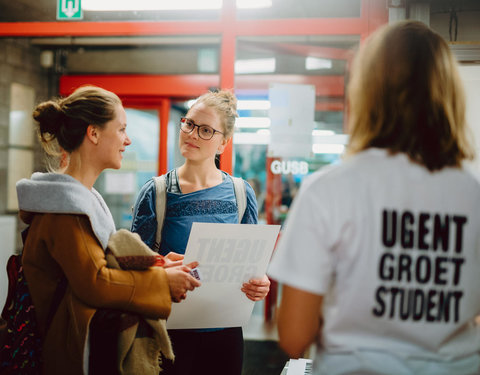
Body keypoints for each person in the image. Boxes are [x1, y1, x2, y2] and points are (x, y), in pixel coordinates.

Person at [268, 20, 480, 375]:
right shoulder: (471, 193)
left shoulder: (328, 189)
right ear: (448, 94)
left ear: (366, 91)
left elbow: (293, 336)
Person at [15, 85, 201, 375]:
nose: (127, 140)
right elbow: (95, 282)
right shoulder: (65, 209)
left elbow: (98, 266)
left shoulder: (80, 200)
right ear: (93, 133)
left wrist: (160, 265)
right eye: (121, 129)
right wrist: (162, 282)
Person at [131, 89, 270, 375]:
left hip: (226, 334)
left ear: (223, 144)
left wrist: (260, 282)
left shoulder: (240, 194)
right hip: (169, 333)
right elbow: (134, 265)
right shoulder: (156, 192)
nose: (192, 134)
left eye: (206, 130)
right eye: (190, 124)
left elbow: (250, 264)